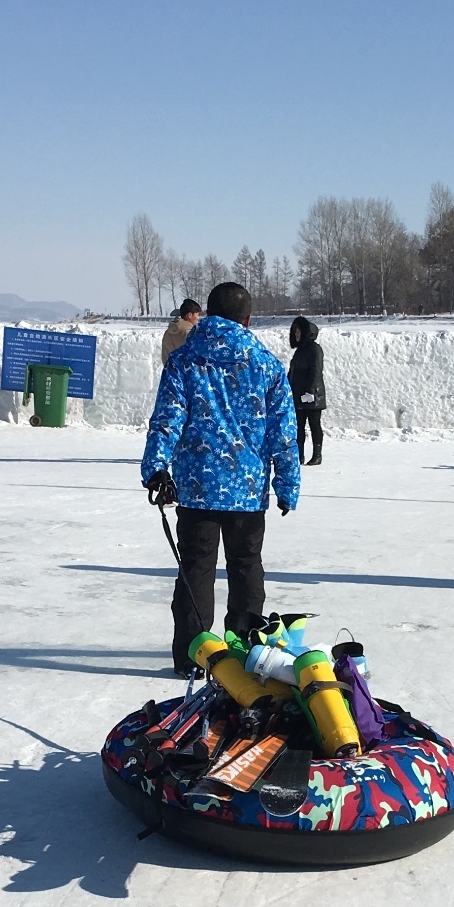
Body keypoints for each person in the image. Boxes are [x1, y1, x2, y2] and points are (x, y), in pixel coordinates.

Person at [141, 279, 299, 677]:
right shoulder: (266, 364)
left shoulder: (184, 360)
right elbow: (284, 432)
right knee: (246, 566)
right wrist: (287, 485)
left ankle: (192, 655)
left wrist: (156, 469)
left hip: (197, 487)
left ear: (208, 314)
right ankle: (246, 653)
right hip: (247, 491)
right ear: (247, 318)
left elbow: (166, 421)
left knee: (196, 568)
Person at [288, 316, 326, 465]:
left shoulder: (314, 349)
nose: (296, 334)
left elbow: (316, 371)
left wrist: (311, 392)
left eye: (298, 331)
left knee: (314, 424)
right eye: (294, 331)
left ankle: (317, 455)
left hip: (312, 395)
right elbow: (293, 372)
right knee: (299, 426)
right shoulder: (299, 351)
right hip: (298, 395)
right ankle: (300, 455)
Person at [160, 299, 204, 367]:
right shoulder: (189, 334)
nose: (198, 318)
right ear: (189, 315)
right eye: (197, 314)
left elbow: (164, 356)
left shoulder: (168, 332)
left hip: (169, 373)